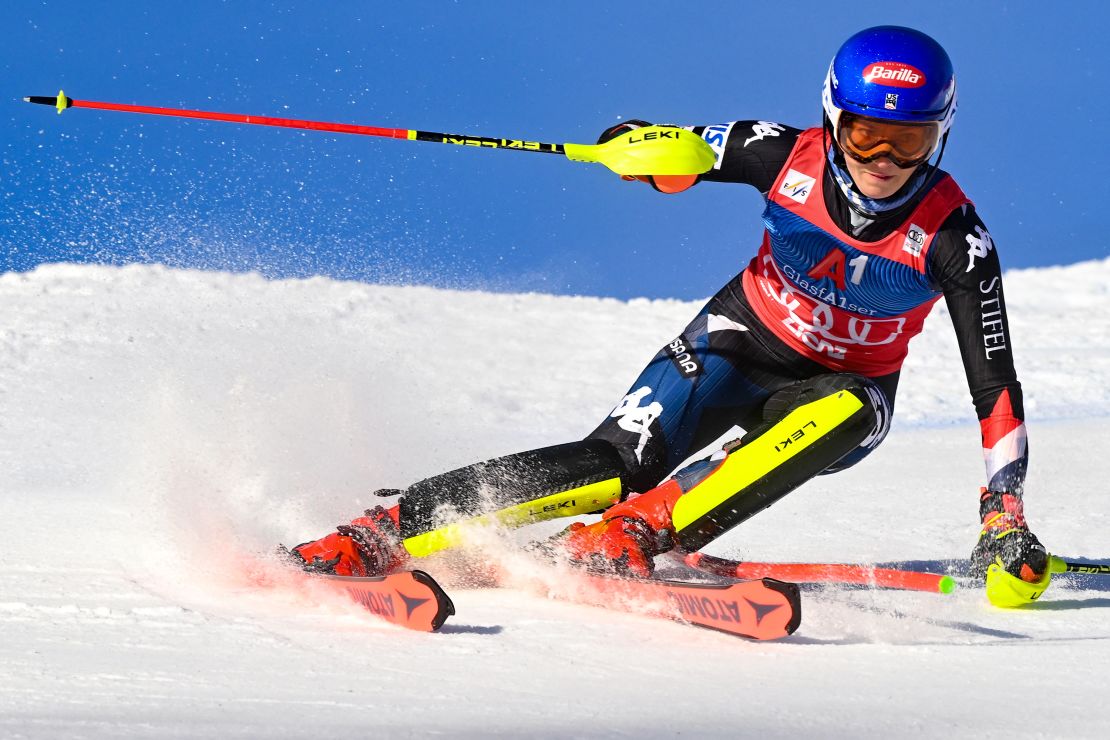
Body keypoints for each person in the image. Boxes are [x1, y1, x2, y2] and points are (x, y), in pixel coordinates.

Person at [287, 26, 1048, 596]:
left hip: (840, 392)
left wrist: (1002, 508)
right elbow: (675, 145)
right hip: (734, 340)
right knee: (612, 465)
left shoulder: (956, 239)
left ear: (939, 136)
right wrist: (647, 155)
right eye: (866, 134)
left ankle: (640, 531)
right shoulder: (779, 152)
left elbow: (996, 387)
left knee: (852, 410)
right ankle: (383, 530)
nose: (883, 161)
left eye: (908, 141)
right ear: (832, 121)